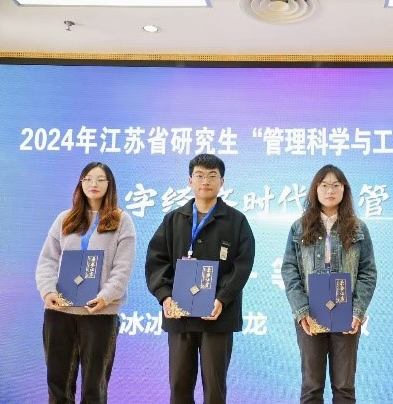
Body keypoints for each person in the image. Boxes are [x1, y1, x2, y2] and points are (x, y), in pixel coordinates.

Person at [145, 153, 255, 404]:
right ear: (190, 180)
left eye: (212, 176)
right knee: (179, 387)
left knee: (215, 389)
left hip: (217, 316)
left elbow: (243, 264)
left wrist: (222, 298)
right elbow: (156, 260)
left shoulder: (236, 221)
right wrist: (165, 296)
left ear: (222, 182)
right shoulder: (173, 219)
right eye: (200, 175)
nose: (205, 181)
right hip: (179, 316)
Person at [35, 162, 136, 403]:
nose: (94, 184)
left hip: (100, 313)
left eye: (100, 179)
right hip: (60, 312)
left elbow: (122, 268)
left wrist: (105, 297)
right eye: (88, 179)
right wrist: (48, 292)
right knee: (58, 385)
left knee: (94, 387)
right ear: (80, 183)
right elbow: (47, 260)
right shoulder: (65, 219)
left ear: (109, 185)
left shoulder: (121, 220)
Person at [281, 164, 377, 404]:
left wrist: (357, 311)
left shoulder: (358, 227)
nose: (330, 190)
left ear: (344, 190)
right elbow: (290, 270)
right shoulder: (300, 226)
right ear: (315, 189)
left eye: (336, 185)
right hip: (310, 314)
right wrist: (301, 310)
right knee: (311, 386)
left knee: (344, 387)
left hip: (346, 313)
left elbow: (368, 272)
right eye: (324, 185)